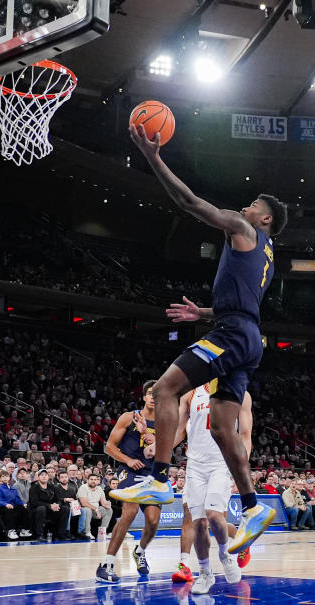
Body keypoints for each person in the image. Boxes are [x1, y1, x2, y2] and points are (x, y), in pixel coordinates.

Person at [111, 123, 288, 556]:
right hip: (248, 336)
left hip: (231, 334)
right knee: (221, 426)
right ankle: (251, 506)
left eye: (252, 206)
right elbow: (244, 301)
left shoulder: (242, 229)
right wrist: (205, 312)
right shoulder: (267, 253)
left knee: (166, 388)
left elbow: (188, 202)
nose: (244, 207)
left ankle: (156, 478)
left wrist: (154, 158)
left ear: (264, 218)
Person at [171, 383, 252, 593]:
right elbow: (179, 430)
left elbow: (245, 435)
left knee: (215, 515)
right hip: (195, 465)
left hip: (221, 463)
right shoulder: (190, 393)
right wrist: (160, 447)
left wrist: (240, 470)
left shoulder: (240, 393)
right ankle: (205, 574)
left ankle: (225, 555)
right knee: (198, 524)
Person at [97, 382, 163, 583]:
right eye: (150, 394)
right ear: (144, 397)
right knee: (130, 512)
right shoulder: (129, 417)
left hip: (152, 474)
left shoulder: (164, 423)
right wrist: (127, 460)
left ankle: (140, 551)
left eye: (157, 395)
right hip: (130, 471)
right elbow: (109, 447)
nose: (153, 397)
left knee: (153, 521)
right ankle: (106, 564)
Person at [30, 469, 67, 542]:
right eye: (42, 475)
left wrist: (57, 505)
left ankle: (60, 534)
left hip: (50, 510)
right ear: (38, 477)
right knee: (42, 508)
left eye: (45, 475)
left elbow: (58, 499)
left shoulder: (52, 486)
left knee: (65, 509)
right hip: (37, 510)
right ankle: (39, 535)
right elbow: (34, 502)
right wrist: (49, 506)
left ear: (48, 477)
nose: (44, 477)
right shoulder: (34, 487)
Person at [0, 469, 31, 540]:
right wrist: (6, 504)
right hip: (3, 508)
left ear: (9, 478)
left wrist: (22, 504)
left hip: (13, 506)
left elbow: (17, 499)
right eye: (3, 476)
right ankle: (11, 531)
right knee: (9, 510)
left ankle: (23, 530)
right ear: (0, 478)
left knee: (23, 509)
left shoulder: (13, 488)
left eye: (6, 476)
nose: (5, 478)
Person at [77, 472, 113, 541]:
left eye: (95, 479)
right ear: (87, 480)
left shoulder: (99, 488)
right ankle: (87, 532)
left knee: (109, 510)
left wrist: (107, 504)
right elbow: (84, 503)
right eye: (91, 479)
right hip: (84, 509)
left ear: (97, 481)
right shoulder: (83, 487)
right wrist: (96, 510)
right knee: (87, 510)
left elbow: (103, 502)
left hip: (95, 510)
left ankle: (102, 532)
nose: (93, 481)